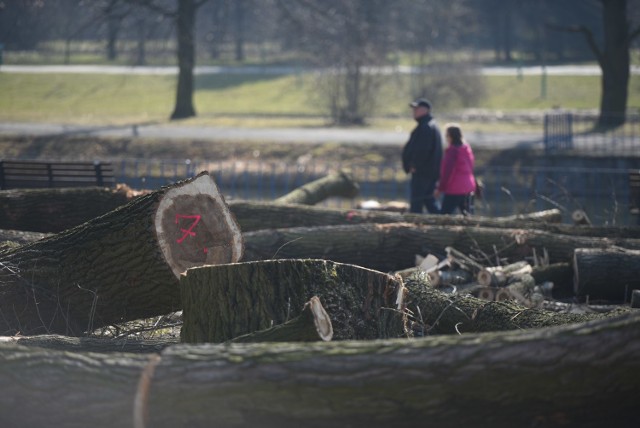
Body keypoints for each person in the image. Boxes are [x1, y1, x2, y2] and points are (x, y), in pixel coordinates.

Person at [402, 98, 443, 214]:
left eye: (417, 109)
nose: (414, 111)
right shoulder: (429, 125)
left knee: (417, 202)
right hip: (428, 172)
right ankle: (440, 221)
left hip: (422, 172)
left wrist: (415, 165)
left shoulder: (426, 127)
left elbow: (423, 150)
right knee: (428, 200)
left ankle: (414, 226)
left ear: (425, 110)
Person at [434, 123, 477, 215]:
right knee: (468, 216)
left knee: (444, 216)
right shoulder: (466, 149)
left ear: (450, 136)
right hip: (469, 186)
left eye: (446, 135)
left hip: (455, 188)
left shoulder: (452, 151)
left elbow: (447, 172)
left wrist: (440, 188)